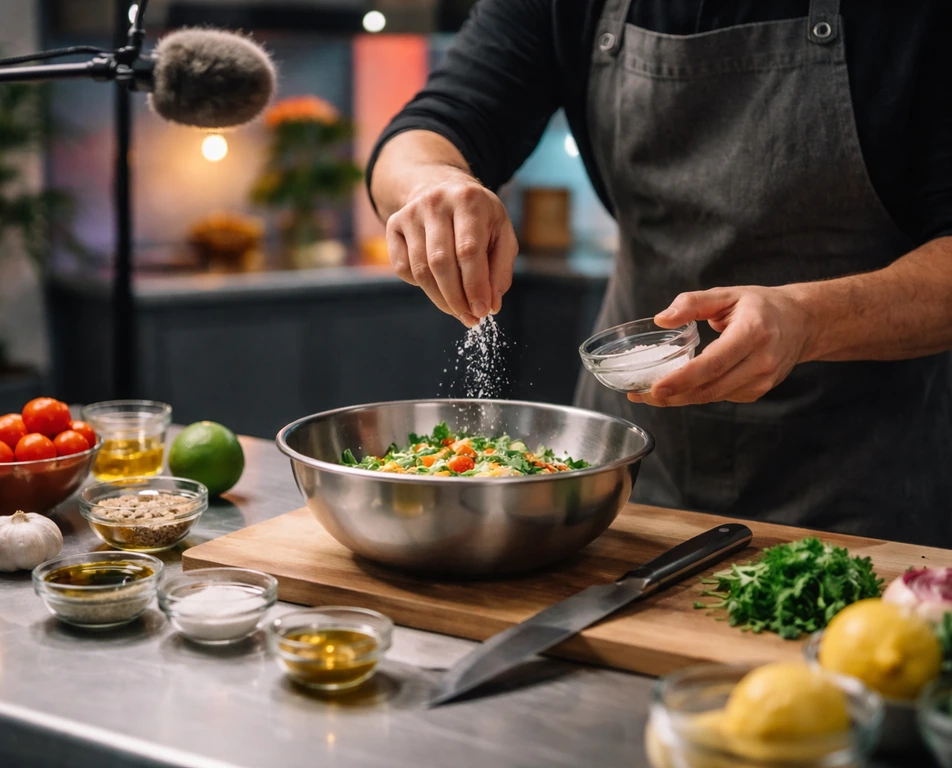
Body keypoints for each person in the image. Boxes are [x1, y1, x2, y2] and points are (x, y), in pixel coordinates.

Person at [366, 0, 952, 546]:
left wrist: (808, 320)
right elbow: (427, 130)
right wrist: (434, 185)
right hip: (624, 475)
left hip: (864, 487)